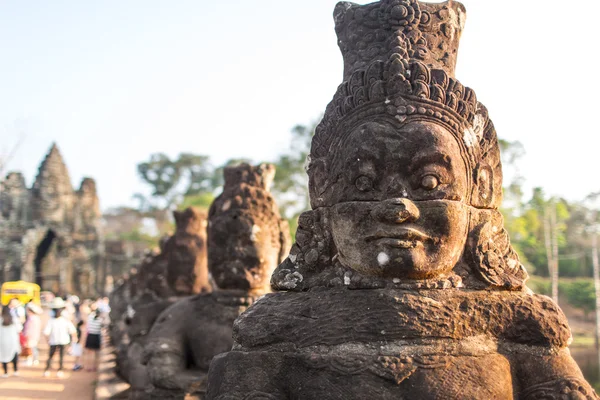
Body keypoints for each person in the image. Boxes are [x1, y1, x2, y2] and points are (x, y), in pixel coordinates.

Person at [43, 300, 77, 378]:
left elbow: (46, 333)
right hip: (60, 340)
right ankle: (57, 370)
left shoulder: (54, 320)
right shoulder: (61, 320)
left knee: (52, 356)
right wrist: (74, 338)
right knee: (58, 356)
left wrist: (48, 340)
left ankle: (49, 370)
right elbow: (73, 330)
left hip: (57, 340)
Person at [0, 306, 22, 378]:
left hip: (2, 341)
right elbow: (19, 329)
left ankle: (6, 372)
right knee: (14, 356)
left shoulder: (1, 319)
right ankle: (15, 370)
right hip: (13, 340)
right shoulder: (14, 319)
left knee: (3, 356)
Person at [83, 304, 103, 372]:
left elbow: (87, 326)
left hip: (90, 336)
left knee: (89, 353)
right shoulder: (100, 319)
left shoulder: (90, 317)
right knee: (96, 353)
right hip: (96, 336)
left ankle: (88, 366)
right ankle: (95, 366)